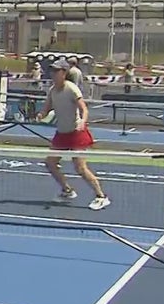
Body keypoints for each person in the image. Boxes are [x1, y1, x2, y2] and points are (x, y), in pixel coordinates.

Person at [36, 59, 110, 210]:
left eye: (56, 71)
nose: (53, 74)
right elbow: (46, 108)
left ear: (64, 73)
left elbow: (84, 109)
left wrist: (83, 121)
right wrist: (41, 114)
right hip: (62, 133)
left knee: (80, 168)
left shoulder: (72, 89)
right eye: (52, 71)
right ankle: (67, 190)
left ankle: (101, 196)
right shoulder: (52, 90)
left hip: (76, 133)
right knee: (50, 163)